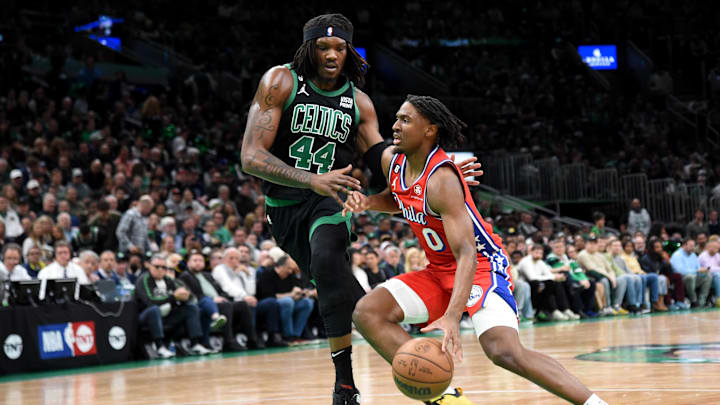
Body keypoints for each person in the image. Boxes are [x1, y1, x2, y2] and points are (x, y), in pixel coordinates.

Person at [239, 13, 482, 405]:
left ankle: (352, 385)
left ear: (349, 52)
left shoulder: (358, 102)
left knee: (329, 261)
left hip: (330, 200)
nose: (332, 54)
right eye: (323, 47)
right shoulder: (281, 81)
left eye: (340, 48)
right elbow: (250, 156)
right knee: (340, 291)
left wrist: (436, 170)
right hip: (284, 205)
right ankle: (389, 341)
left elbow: (381, 155)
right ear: (309, 49)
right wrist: (309, 178)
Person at [344, 95, 606, 405]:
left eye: (405, 120)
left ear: (429, 129)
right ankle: (445, 398)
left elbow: (467, 253)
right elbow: (397, 197)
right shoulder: (394, 161)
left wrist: (453, 316)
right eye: (397, 118)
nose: (395, 126)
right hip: (438, 270)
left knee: (503, 351)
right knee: (367, 312)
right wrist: (369, 203)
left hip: (479, 265)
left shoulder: (442, 180)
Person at [135, 253, 213, 358]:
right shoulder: (143, 279)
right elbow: (149, 301)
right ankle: (160, 347)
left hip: (166, 316)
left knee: (191, 308)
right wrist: (174, 297)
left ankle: (195, 344)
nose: (160, 269)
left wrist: (185, 297)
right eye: (157, 266)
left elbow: (187, 297)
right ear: (149, 266)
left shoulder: (168, 280)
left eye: (164, 267)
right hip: (145, 317)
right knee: (154, 309)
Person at [181, 251, 257, 351]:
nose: (198, 263)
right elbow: (193, 295)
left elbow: (220, 290)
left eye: (200, 260)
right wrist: (213, 299)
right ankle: (228, 341)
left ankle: (252, 340)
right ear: (188, 263)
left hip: (220, 302)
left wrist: (223, 297)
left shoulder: (207, 275)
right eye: (195, 260)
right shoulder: (185, 276)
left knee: (242, 304)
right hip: (203, 304)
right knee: (226, 306)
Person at [256, 250, 315, 342]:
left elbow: (298, 289)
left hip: (289, 303)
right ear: (280, 267)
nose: (291, 271)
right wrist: (291, 295)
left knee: (307, 302)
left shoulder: (290, 275)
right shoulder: (267, 274)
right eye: (288, 268)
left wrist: (300, 294)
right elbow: (269, 295)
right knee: (288, 301)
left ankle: (296, 335)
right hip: (270, 303)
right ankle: (288, 335)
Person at [670, 238, 712, 307]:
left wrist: (704, 270)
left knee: (708, 276)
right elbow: (680, 271)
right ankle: (694, 300)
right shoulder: (677, 255)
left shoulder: (693, 255)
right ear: (684, 245)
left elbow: (698, 268)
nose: (693, 248)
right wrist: (696, 271)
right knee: (690, 277)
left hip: (694, 277)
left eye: (694, 246)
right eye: (691, 246)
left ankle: (702, 300)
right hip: (681, 279)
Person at [698, 236, 720, 306]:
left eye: (718, 248)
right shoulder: (703, 256)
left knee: (717, 275)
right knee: (717, 275)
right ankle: (718, 298)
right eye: (715, 248)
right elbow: (709, 268)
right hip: (705, 277)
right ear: (709, 247)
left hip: (716, 276)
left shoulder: (717, 255)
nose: (717, 250)